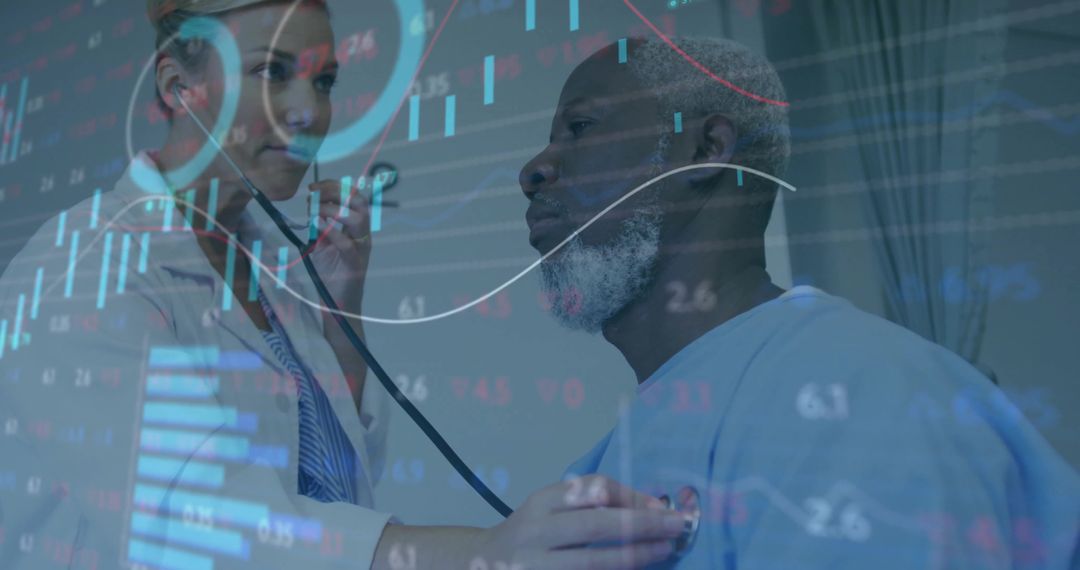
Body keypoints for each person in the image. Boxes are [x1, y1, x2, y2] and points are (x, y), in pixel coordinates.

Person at [0, 2, 691, 569]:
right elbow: (195, 524)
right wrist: (484, 554)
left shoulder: (274, 268)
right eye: (272, 72)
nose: (309, 113)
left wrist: (340, 323)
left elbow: (333, 488)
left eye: (323, 81)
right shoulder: (82, 268)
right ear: (180, 86)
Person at [519, 36, 1080, 568]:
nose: (533, 170)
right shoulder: (606, 464)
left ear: (706, 149)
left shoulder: (855, 392)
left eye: (580, 127)